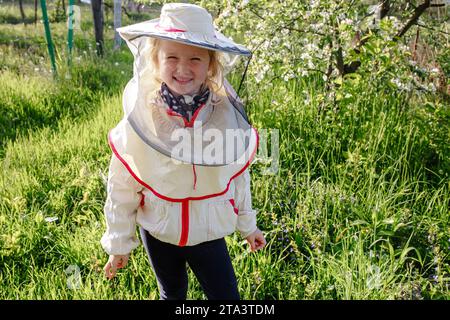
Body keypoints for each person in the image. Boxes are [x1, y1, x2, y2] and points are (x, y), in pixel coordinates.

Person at [100, 3, 266, 300]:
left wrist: (248, 226)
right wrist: (118, 245)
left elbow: (237, 177)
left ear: (211, 64)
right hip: (159, 231)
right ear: (155, 60)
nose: (182, 68)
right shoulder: (142, 117)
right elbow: (122, 185)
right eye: (171, 57)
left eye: (195, 58)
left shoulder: (225, 115)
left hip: (208, 233)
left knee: (227, 297)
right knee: (172, 294)